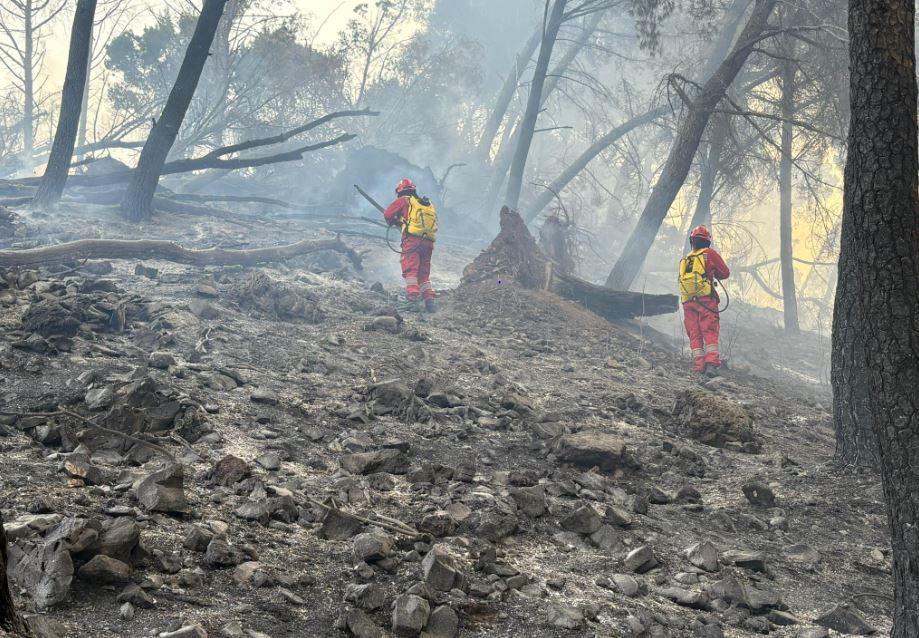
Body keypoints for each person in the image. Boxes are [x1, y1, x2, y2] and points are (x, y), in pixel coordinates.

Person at [679, 225, 730, 376]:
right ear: (707, 242)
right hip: (706, 300)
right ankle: (711, 366)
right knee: (709, 331)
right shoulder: (709, 254)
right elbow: (725, 273)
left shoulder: (686, 258)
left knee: (694, 333)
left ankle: (698, 367)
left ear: (692, 241)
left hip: (688, 301)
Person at [383, 179, 439, 312]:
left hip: (412, 241)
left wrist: (396, 222)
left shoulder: (404, 200)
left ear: (400, 191)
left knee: (411, 270)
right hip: (428, 242)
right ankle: (429, 301)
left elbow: (387, 215)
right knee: (423, 273)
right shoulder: (426, 204)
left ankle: (412, 301)